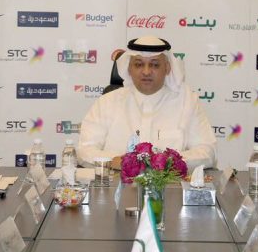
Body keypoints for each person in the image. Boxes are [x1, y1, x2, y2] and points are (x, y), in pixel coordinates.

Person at [77, 36, 216, 170]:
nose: (146, 71)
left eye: (155, 65)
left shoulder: (187, 102)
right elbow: (85, 150)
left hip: (169, 184)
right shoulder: (107, 102)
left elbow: (207, 152)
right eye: (139, 64)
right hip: (115, 182)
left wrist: (168, 162)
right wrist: (114, 161)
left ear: (167, 68)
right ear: (129, 68)